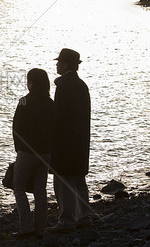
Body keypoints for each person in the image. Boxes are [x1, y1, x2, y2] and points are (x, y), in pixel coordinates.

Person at [48, 48, 92, 233]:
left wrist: (51, 138)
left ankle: (66, 221)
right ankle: (84, 216)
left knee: (62, 180)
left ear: (65, 65)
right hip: (80, 140)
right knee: (79, 180)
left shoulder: (63, 86)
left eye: (59, 62)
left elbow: (59, 117)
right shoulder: (81, 85)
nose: (56, 64)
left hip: (65, 142)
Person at [12, 68, 57, 239]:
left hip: (27, 151)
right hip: (45, 152)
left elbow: (17, 127)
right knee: (40, 191)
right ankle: (40, 230)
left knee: (19, 188)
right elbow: (55, 128)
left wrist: (19, 149)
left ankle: (26, 227)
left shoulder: (24, 101)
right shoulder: (50, 103)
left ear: (31, 83)